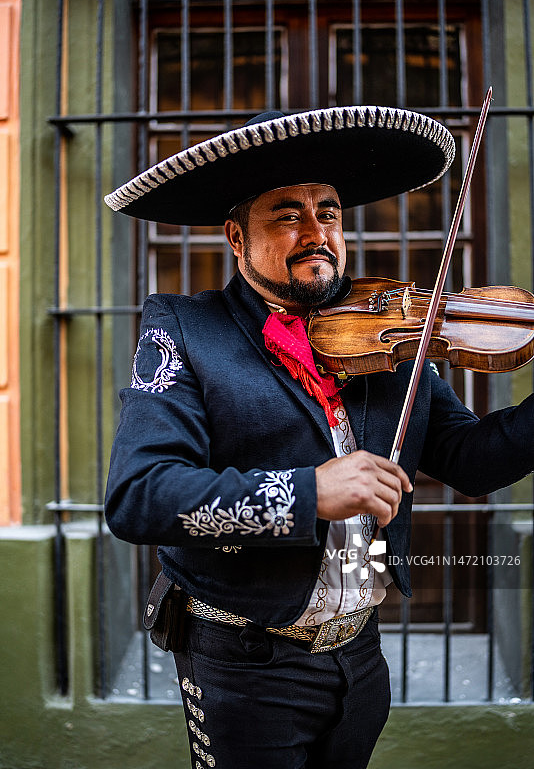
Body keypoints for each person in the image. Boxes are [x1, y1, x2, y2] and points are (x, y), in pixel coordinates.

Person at [104, 107, 534, 769]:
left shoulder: (388, 335)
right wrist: (309, 491)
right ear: (235, 238)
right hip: (245, 667)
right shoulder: (186, 331)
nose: (316, 232)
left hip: (361, 658)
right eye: (287, 214)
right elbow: (140, 495)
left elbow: (473, 462)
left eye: (328, 212)